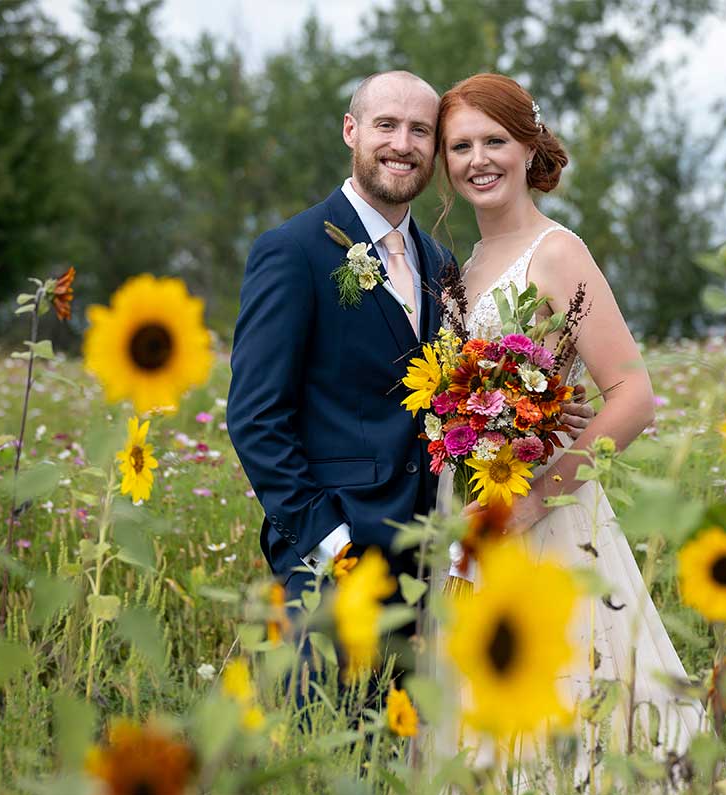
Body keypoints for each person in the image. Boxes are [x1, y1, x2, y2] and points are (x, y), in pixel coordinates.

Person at [226, 70, 596, 693]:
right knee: (331, 757)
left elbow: (457, 400)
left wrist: (545, 408)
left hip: (433, 561)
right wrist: (334, 546)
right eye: (386, 125)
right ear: (351, 131)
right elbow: (256, 418)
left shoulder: (441, 263)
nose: (403, 143)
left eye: (420, 130)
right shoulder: (292, 251)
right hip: (335, 566)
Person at [433, 72, 705, 774]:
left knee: (569, 714)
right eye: (460, 145)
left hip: (547, 515)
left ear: (529, 146)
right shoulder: (463, 266)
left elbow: (634, 395)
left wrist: (539, 494)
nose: (478, 159)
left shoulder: (556, 252)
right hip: (475, 515)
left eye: (495, 140)